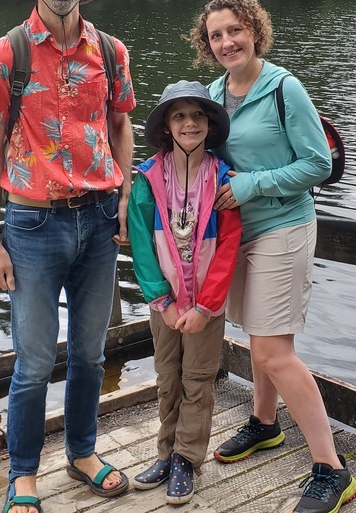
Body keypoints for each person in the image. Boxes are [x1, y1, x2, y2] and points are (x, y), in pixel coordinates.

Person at [0, 0, 136, 513]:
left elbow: (120, 125)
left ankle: (83, 452)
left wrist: (124, 194)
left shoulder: (111, 53)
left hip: (96, 223)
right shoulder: (5, 54)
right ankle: (22, 475)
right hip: (32, 227)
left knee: (90, 353)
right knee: (35, 361)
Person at [188, 0, 356, 513]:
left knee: (271, 352)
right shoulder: (215, 92)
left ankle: (332, 470)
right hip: (237, 234)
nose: (226, 42)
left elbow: (318, 165)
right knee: (258, 335)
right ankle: (265, 425)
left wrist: (252, 186)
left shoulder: (285, 88)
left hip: (283, 227)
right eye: (216, 35)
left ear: (255, 31)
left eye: (234, 30)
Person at [127, 80, 242, 505]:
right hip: (166, 303)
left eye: (197, 115)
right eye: (179, 115)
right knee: (167, 375)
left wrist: (207, 305)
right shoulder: (147, 178)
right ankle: (165, 452)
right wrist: (163, 299)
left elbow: (229, 245)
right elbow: (140, 243)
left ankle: (186, 459)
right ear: (166, 126)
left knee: (198, 379)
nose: (189, 123)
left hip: (206, 306)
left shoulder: (225, 179)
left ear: (209, 125)